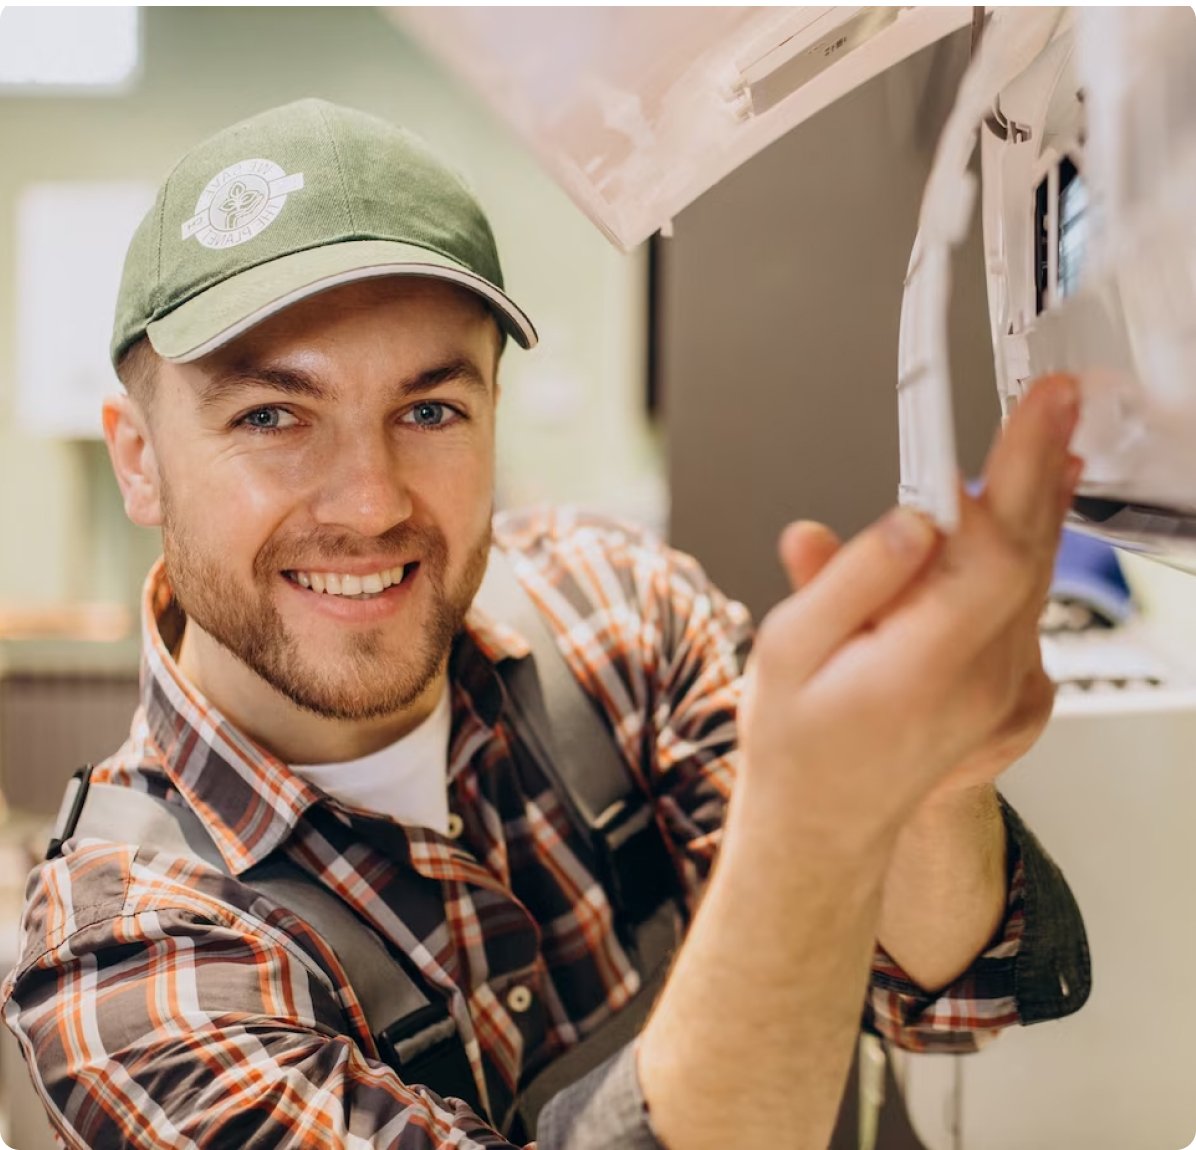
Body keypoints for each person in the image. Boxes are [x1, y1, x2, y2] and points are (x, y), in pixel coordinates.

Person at [1, 99, 1089, 1150]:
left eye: (429, 410)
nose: (371, 501)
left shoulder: (613, 613)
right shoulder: (127, 968)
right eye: (272, 416)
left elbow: (943, 986)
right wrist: (811, 822)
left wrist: (929, 780)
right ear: (139, 458)